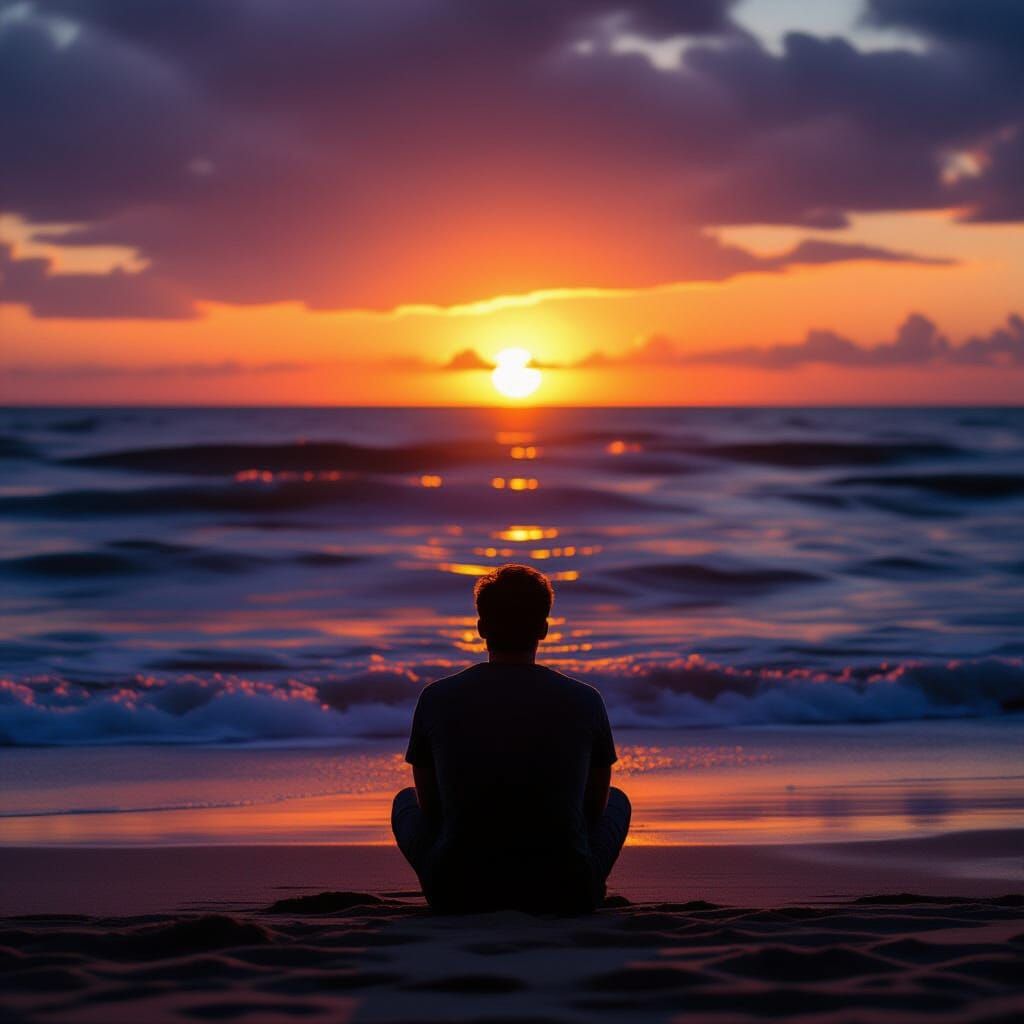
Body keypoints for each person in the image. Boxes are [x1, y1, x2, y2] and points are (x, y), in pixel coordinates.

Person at [392, 563, 630, 913]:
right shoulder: (585, 699)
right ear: (544, 629)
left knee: (405, 802)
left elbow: (432, 809)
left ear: (481, 628)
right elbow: (594, 809)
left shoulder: (436, 697)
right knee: (618, 800)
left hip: (456, 890)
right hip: (567, 891)